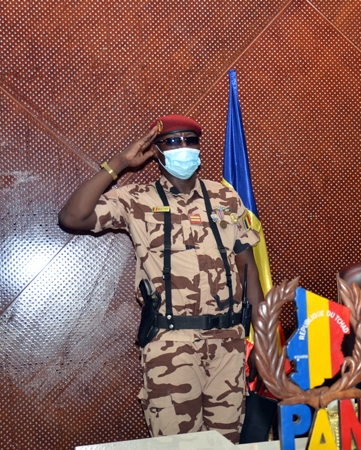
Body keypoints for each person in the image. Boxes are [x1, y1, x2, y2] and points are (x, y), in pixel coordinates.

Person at [58, 115, 264, 442]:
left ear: (198, 147)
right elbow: (73, 217)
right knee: (176, 445)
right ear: (156, 151)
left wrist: (261, 341)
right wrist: (120, 164)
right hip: (170, 346)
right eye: (171, 142)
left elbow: (248, 269)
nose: (182, 148)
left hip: (229, 344)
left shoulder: (225, 198)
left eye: (188, 140)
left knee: (227, 444)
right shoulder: (137, 200)